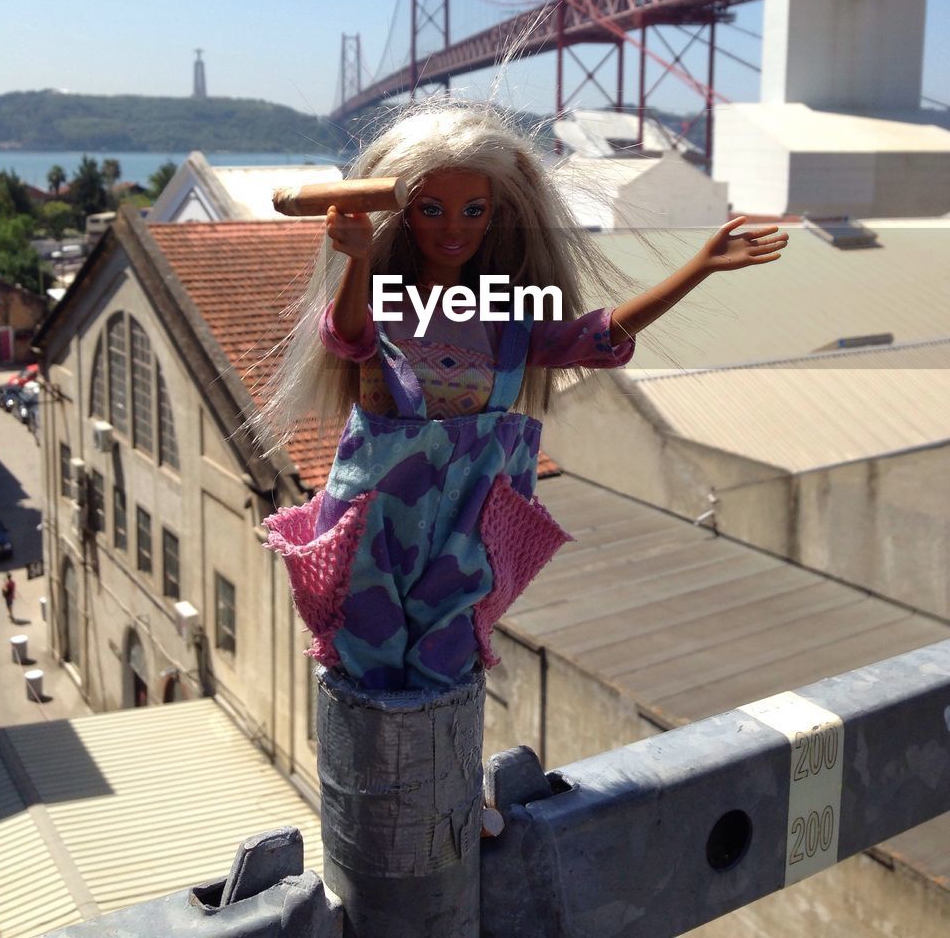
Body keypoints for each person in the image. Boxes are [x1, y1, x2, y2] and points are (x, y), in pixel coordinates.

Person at [261, 101, 787, 691]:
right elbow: (347, 335)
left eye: (474, 210)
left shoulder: (503, 319)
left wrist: (699, 267)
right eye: (430, 210)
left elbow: (596, 335)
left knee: (446, 668)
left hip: (463, 536)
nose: (453, 228)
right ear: (404, 216)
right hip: (376, 525)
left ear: (495, 215)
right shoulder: (386, 304)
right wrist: (356, 258)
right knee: (364, 664)